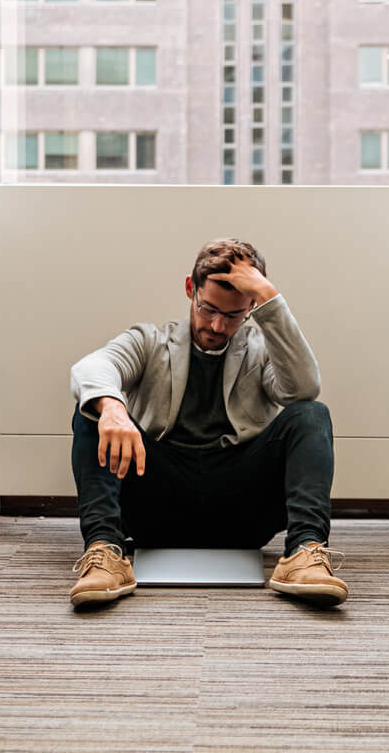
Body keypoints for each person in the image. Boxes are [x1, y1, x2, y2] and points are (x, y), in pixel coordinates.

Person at [66, 237, 345, 609]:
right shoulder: (150, 341)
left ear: (250, 308)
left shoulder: (261, 349)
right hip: (156, 504)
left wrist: (268, 296)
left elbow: (305, 387)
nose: (216, 325)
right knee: (92, 410)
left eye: (233, 316)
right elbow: (91, 368)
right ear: (190, 289)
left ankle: (305, 553)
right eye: (208, 308)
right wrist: (112, 406)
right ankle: (104, 551)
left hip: (241, 508)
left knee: (312, 414)